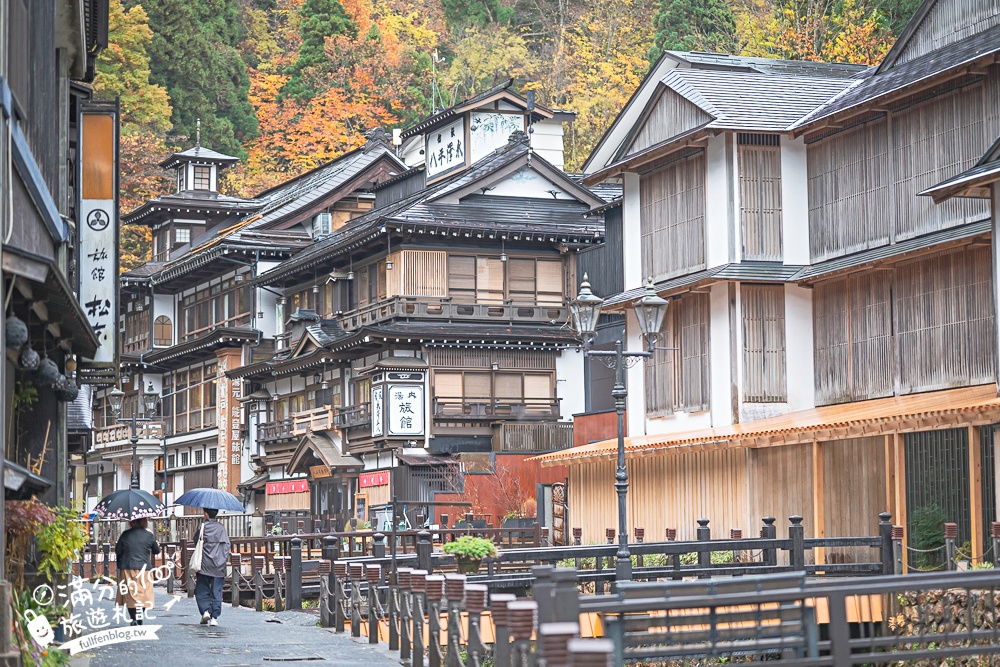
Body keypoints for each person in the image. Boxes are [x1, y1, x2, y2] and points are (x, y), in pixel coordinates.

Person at [114, 517, 160, 626]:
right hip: (145, 570)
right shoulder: (149, 535)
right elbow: (156, 551)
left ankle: (133, 618)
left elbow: (118, 550)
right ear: (145, 522)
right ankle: (139, 616)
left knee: (130, 595)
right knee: (143, 595)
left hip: (128, 567)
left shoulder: (125, 534)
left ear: (131, 522)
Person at [193, 508, 231, 626]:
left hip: (204, 563)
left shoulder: (202, 527)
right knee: (217, 590)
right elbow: (227, 545)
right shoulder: (221, 528)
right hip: (219, 564)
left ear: (206, 513)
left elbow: (196, 541)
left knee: (202, 588)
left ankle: (205, 611)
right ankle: (214, 617)